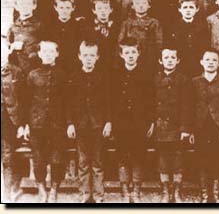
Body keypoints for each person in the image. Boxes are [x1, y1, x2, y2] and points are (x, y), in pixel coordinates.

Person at [66, 40, 112, 203]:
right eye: (85, 55)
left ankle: (99, 195)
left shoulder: (104, 77)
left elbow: (109, 101)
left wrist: (108, 122)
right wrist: (70, 123)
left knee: (98, 161)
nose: (88, 58)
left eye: (92, 55)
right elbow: (69, 103)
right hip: (80, 126)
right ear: (79, 56)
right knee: (83, 161)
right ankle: (85, 193)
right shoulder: (73, 77)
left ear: (97, 57)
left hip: (98, 125)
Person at [111, 37, 154, 203]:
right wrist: (113, 122)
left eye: (133, 52)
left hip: (140, 122)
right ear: (121, 55)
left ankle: (136, 190)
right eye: (126, 52)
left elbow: (151, 100)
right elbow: (111, 100)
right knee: (122, 155)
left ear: (139, 53)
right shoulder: (115, 74)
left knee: (138, 155)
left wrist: (151, 122)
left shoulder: (146, 74)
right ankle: (124, 190)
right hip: (121, 123)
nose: (130, 55)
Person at [192, 49, 219, 203]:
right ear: (201, 62)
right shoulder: (195, 82)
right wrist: (191, 131)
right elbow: (189, 106)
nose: (210, 63)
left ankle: (216, 194)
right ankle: (204, 195)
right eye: (207, 60)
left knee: (218, 160)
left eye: (214, 60)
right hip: (200, 127)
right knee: (202, 160)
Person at [150, 47, 192, 203]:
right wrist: (153, 123)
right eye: (166, 57)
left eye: (173, 57)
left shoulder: (183, 79)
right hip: (161, 126)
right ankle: (165, 191)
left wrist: (185, 128)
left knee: (178, 158)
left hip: (177, 126)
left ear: (178, 60)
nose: (169, 60)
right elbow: (150, 103)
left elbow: (187, 106)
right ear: (160, 60)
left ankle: (177, 191)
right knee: (162, 158)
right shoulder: (155, 78)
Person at [27, 40, 67, 203]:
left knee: (58, 157)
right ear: (39, 54)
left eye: (52, 51)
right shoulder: (33, 74)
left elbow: (68, 100)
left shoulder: (63, 74)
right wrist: (25, 125)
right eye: (45, 51)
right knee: (39, 158)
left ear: (57, 54)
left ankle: (54, 188)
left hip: (58, 123)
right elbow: (26, 101)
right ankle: (42, 188)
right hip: (37, 123)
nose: (48, 54)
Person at [1, 38, 27, 203]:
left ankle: (8, 193)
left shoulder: (16, 72)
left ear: (8, 51)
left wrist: (22, 124)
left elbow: (24, 100)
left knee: (8, 156)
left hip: (9, 120)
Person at [118, 0, 163, 70]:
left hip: (149, 58)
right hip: (131, 58)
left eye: (144, 3)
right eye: (137, 3)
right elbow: (120, 42)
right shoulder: (127, 23)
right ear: (132, 6)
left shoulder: (154, 23)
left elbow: (159, 43)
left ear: (149, 5)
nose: (141, 6)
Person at [165, 0, 210, 77]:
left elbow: (205, 46)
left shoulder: (202, 27)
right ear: (179, 9)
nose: (188, 10)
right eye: (185, 7)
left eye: (191, 7)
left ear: (197, 9)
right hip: (179, 64)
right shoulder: (174, 27)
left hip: (197, 64)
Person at [8, 0, 43, 75]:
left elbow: (45, 47)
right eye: (22, 4)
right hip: (17, 68)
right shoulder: (13, 27)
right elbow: (8, 45)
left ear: (34, 6)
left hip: (34, 67)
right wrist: (12, 47)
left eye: (28, 4)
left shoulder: (39, 25)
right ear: (16, 6)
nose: (25, 7)